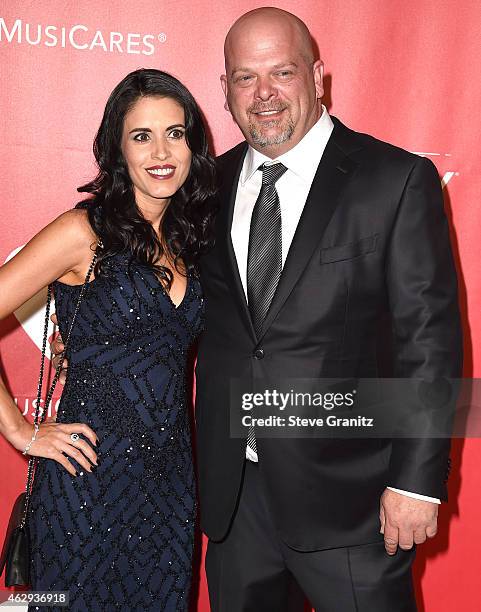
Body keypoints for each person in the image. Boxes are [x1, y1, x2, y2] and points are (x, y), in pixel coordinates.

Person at [193, 7, 462, 612]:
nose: (263, 95)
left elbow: (430, 341)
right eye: (244, 77)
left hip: (355, 504)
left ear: (317, 77)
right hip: (236, 503)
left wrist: (416, 481)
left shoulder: (394, 180)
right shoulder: (206, 187)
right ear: (225, 90)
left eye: (282, 72)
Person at [0, 68, 216, 611]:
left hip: (169, 491)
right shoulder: (83, 233)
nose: (161, 151)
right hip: (84, 487)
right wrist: (20, 431)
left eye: (175, 132)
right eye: (142, 136)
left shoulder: (192, 242)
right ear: (118, 150)